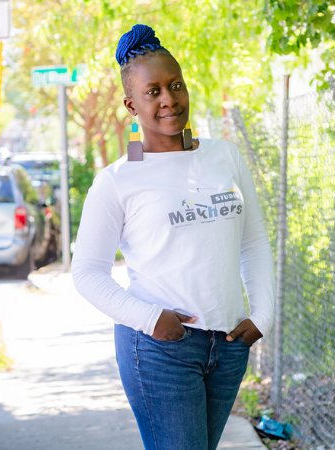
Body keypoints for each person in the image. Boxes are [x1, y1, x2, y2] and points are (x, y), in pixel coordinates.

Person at [71, 24, 275, 450]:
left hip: (230, 344)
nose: (169, 99)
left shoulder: (224, 156)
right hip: (160, 348)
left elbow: (252, 240)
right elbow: (88, 273)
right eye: (153, 91)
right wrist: (152, 321)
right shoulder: (118, 180)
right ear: (132, 104)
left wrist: (263, 316)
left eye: (175, 85)